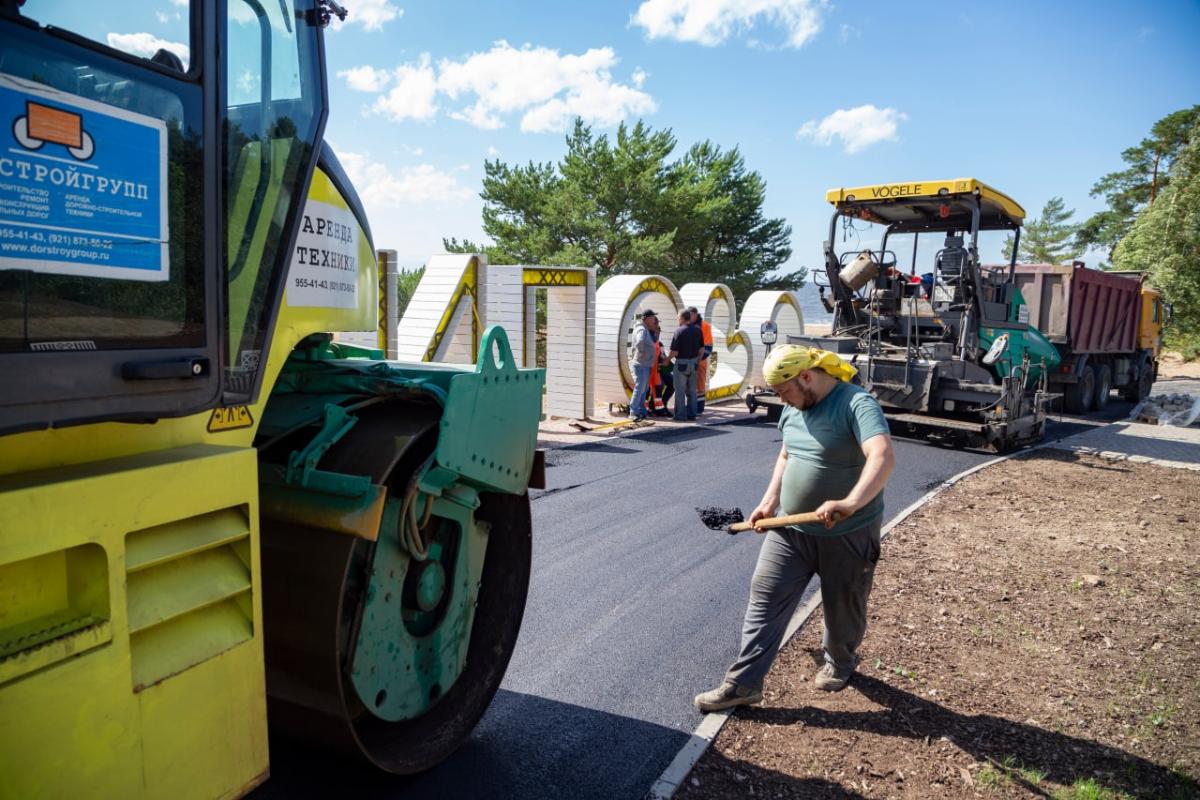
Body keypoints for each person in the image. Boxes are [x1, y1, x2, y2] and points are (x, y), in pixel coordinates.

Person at [694, 345, 895, 712]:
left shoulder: (856, 404)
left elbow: (882, 456)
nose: (782, 400)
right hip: (791, 530)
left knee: (842, 606)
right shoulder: (793, 407)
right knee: (765, 599)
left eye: (784, 391)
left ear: (806, 377)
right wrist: (769, 501)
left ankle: (840, 661)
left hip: (848, 533)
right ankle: (743, 684)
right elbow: (787, 453)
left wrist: (850, 503)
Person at [668, 309, 704, 420]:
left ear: (683, 318)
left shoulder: (679, 331)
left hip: (681, 364)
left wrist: (667, 360)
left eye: (678, 317)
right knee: (692, 390)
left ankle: (680, 415)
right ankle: (692, 414)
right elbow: (702, 349)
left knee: (680, 390)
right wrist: (697, 361)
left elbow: (675, 352)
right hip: (694, 363)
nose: (678, 319)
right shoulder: (698, 330)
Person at [628, 310, 658, 421]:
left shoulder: (645, 329)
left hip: (644, 364)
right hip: (641, 364)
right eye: (652, 317)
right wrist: (643, 354)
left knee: (643, 389)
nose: (654, 320)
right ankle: (633, 412)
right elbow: (640, 342)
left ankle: (641, 411)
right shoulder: (641, 330)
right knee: (639, 388)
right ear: (646, 318)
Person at [687, 306, 714, 415]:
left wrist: (698, 360)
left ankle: (699, 407)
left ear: (695, 314)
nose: (688, 317)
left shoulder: (705, 326)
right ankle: (691, 405)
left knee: (700, 385)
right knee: (688, 385)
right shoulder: (687, 324)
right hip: (689, 360)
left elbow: (708, 346)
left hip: (700, 360)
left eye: (690, 315)